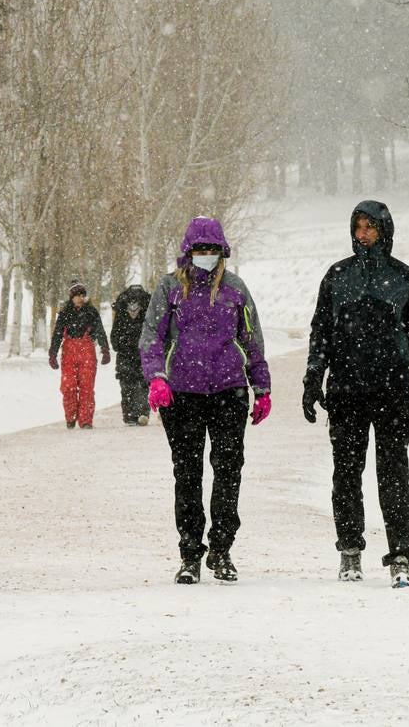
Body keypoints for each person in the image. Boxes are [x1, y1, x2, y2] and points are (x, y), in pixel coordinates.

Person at [302, 200, 409, 588]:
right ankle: (350, 550)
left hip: (392, 391)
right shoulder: (337, 277)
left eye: (371, 227)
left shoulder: (405, 280)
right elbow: (321, 333)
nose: (363, 234)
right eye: (358, 227)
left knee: (394, 474)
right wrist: (313, 377)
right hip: (346, 392)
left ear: (385, 230)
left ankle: (400, 554)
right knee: (347, 474)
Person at [140, 217, 272, 584]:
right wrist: (156, 376)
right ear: (188, 252)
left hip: (229, 391)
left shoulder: (235, 290)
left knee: (229, 471)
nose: (206, 256)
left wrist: (261, 387)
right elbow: (152, 335)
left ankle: (222, 548)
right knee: (187, 473)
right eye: (200, 250)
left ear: (222, 252)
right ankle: (190, 552)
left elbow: (252, 339)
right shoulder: (169, 289)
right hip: (182, 394)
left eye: (212, 250)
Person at [49, 279, 110, 429]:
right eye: (77, 295)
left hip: (87, 352)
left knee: (86, 388)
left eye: (83, 295)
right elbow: (57, 334)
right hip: (69, 352)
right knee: (68, 387)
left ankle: (85, 420)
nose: (80, 298)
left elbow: (100, 331)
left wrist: (105, 349)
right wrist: (52, 353)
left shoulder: (91, 312)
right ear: (72, 297)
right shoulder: (64, 313)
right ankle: (70, 417)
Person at [110, 284, 153, 426]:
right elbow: (153, 328)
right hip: (143, 350)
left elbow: (115, 331)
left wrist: (118, 344)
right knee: (143, 383)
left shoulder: (122, 304)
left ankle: (129, 415)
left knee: (126, 384)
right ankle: (142, 413)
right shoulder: (148, 303)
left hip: (125, 352)